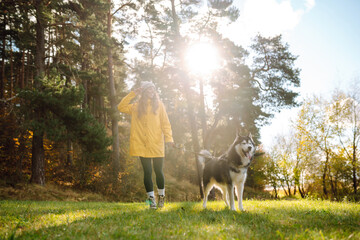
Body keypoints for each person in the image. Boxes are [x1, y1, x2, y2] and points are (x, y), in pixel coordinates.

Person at [118, 81, 174, 209]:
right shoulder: (136, 106)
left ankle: (161, 197)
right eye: (148, 90)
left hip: (157, 144)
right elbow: (120, 107)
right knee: (147, 172)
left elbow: (166, 123)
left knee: (159, 171)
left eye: (153, 90)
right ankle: (151, 200)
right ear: (143, 92)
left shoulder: (159, 105)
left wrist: (169, 138)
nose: (151, 92)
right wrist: (133, 93)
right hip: (141, 145)